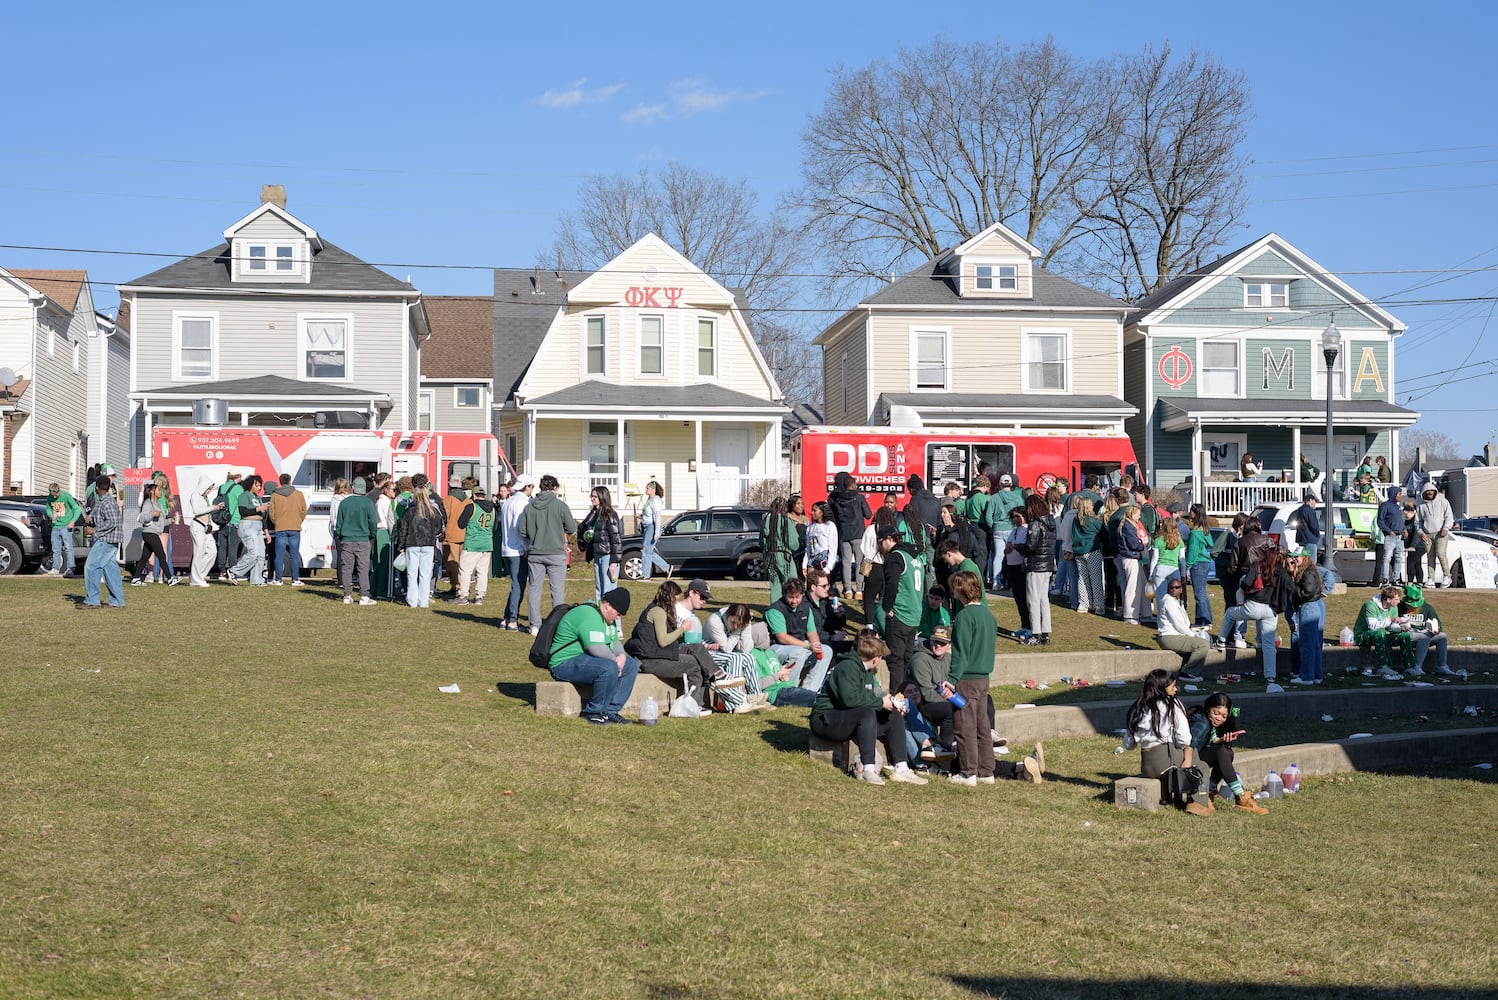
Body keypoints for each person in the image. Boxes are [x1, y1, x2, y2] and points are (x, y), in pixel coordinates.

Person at [809, 631, 928, 786]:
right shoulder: (847, 668)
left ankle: (901, 767)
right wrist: (880, 703)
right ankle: (868, 769)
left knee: (893, 715)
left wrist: (890, 702)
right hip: (826, 720)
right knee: (866, 713)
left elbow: (875, 693)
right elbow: (849, 699)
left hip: (847, 718)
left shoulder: (866, 672)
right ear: (876, 658)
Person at [626, 581, 727, 711]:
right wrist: (682, 629)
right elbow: (663, 641)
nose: (676, 602)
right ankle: (695, 706)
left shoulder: (660, 610)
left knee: (697, 648)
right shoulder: (658, 612)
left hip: (657, 652)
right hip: (651, 659)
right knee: (694, 665)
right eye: (676, 599)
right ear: (669, 597)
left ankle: (717, 674)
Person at [1123, 669, 1212, 816]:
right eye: (1172, 687)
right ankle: (1197, 803)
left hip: (1147, 765)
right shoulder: (1172, 704)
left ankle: (1178, 797)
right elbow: (1184, 738)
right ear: (1162, 688)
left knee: (1187, 757)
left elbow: (1128, 745)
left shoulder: (1138, 707)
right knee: (1200, 764)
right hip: (1165, 758)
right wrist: (1185, 751)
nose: (1176, 690)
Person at [548, 588, 640, 725]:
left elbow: (614, 641)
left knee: (631, 665)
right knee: (608, 668)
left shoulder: (607, 619)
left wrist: (621, 656)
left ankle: (610, 710)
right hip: (563, 663)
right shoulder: (589, 614)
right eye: (618, 613)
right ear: (608, 606)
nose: (618, 617)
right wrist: (615, 663)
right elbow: (595, 648)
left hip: (585, 660)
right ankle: (593, 712)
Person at [943, 570, 999, 786]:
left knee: (964, 724)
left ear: (961, 590)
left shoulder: (965, 617)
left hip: (966, 678)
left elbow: (961, 652)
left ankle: (968, 772)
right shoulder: (988, 615)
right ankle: (987, 771)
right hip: (984, 677)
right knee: (982, 725)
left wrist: (952, 677)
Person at [1214, 543, 1290, 693]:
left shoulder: (1257, 566)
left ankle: (1221, 641)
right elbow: (1290, 587)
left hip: (1253, 606)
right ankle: (1271, 677)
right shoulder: (1281, 571)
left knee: (1230, 613)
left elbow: (1246, 583)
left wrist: (1243, 592)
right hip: (1271, 610)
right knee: (1268, 645)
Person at [1188, 693, 1268, 814]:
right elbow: (1190, 744)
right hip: (1189, 759)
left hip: (1196, 756)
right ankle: (1240, 796)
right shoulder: (1201, 722)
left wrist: (1222, 741)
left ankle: (1210, 791)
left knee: (1227, 752)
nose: (1219, 718)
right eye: (1216, 713)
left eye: (1224, 716)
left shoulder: (1211, 724)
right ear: (1208, 708)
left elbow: (1208, 742)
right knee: (1222, 752)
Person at [519, 475, 578, 634]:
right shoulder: (560, 506)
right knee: (557, 590)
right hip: (556, 553)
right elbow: (572, 528)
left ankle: (534, 625)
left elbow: (522, 531)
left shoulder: (529, 507)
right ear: (554, 488)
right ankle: (556, 624)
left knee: (534, 589)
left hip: (535, 553)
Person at [877, 522, 925, 693]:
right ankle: (910, 694)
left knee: (896, 660)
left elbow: (892, 583)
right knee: (907, 658)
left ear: (888, 540)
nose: (879, 546)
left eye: (880, 541)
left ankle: (898, 697)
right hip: (914, 613)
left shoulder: (895, 556)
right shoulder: (915, 557)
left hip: (900, 613)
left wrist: (886, 607)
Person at [699, 600, 770, 713]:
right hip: (707, 652)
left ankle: (757, 697)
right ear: (728, 615)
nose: (735, 626)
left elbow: (746, 649)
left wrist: (746, 626)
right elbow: (727, 648)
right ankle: (738, 703)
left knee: (749, 657)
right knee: (735, 658)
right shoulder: (715, 621)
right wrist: (737, 633)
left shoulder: (739, 623)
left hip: (721, 652)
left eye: (739, 625)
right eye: (733, 623)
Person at [766, 578, 833, 693]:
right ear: (784, 595)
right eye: (790, 597)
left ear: (802, 594)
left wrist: (816, 645)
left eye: (797, 597)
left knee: (826, 650)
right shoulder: (775, 610)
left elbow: (811, 633)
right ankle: (788, 689)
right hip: (777, 648)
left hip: (800, 645)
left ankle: (810, 690)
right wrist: (807, 646)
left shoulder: (806, 609)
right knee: (798, 652)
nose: (794, 601)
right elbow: (782, 637)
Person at [393, 482, 445, 608]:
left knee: (412, 573)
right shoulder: (433, 511)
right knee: (425, 574)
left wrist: (401, 546)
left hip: (412, 544)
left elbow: (403, 529)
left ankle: (412, 600)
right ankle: (423, 601)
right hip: (428, 544)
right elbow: (439, 528)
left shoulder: (410, 510)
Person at [80, 475, 126, 608]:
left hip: (106, 540)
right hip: (110, 540)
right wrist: (91, 518)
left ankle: (92, 600)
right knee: (110, 570)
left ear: (96, 487)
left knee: (91, 566)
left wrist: (93, 530)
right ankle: (117, 601)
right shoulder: (105, 501)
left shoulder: (107, 502)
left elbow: (113, 521)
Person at [1353, 585, 1417, 679]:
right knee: (1380, 634)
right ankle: (1383, 666)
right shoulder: (1370, 605)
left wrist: (1401, 628)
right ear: (1388, 599)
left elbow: (1391, 627)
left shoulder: (1394, 607)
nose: (1399, 601)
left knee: (1404, 636)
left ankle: (1410, 666)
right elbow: (1372, 626)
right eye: (1397, 599)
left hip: (1382, 634)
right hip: (1364, 634)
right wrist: (1391, 619)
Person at [827, 471, 873, 599]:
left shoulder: (836, 499)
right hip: (858, 534)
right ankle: (859, 591)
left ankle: (847, 590)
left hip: (843, 534)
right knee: (859, 562)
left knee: (846, 563)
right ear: (853, 486)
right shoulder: (859, 498)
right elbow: (868, 514)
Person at [1018, 494, 1056, 645]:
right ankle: (1045, 634)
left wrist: (1019, 547)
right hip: (1047, 564)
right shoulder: (1051, 522)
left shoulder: (1035, 523)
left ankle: (1035, 633)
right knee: (1043, 599)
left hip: (1035, 564)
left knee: (1032, 600)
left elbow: (1030, 546)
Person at [335, 479, 378, 605]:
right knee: (363, 568)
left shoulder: (344, 503)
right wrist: (372, 534)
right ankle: (364, 596)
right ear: (364, 489)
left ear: (352, 488)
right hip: (363, 539)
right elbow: (372, 522)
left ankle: (347, 595)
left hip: (346, 539)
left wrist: (339, 535)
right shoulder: (368, 503)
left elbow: (339, 523)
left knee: (346, 568)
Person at [1155, 578, 1209, 678]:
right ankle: (1187, 673)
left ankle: (1190, 670)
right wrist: (1193, 635)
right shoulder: (1168, 601)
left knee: (1204, 639)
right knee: (1203, 645)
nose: (1173, 590)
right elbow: (1178, 624)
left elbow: (1185, 623)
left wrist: (1195, 631)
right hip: (1169, 637)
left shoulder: (1178, 602)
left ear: (1181, 589)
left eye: (1177, 587)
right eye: (1171, 588)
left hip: (1177, 636)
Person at [578, 486, 623, 604]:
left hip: (607, 556)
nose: (592, 499)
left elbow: (616, 539)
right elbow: (583, 527)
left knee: (609, 592)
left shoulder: (611, 515)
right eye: (591, 496)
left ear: (602, 497)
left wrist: (614, 562)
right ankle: (600, 620)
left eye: (595, 497)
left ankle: (613, 622)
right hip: (597, 555)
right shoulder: (595, 515)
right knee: (599, 590)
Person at [1397, 583, 1454, 676]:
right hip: (1407, 635)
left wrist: (1436, 630)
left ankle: (1442, 666)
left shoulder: (1427, 608)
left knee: (1442, 637)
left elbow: (1438, 624)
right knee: (1424, 637)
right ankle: (1417, 666)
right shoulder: (1400, 607)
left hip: (1425, 634)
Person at [499, 475, 533, 629]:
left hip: (507, 548)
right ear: (527, 487)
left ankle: (507, 617)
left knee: (515, 585)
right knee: (518, 585)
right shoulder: (522, 502)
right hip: (517, 549)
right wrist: (526, 547)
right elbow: (520, 528)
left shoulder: (509, 501)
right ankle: (512, 620)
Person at [1287, 549, 1326, 686]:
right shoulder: (1312, 570)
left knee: (1307, 645)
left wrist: (1293, 590)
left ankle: (1306, 677)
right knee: (1314, 645)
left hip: (1308, 608)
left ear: (1305, 557)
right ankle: (1316, 675)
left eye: (1297, 557)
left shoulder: (1308, 572)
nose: (1294, 559)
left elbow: (1307, 592)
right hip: (1313, 608)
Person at [452, 487, 496, 606]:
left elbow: (461, 524)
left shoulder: (471, 507)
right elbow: (495, 527)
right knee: (482, 572)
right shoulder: (493, 508)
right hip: (487, 544)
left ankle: (463, 595)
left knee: (465, 571)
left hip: (472, 543)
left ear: (473, 495)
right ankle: (479, 596)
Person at [226, 475, 270, 586]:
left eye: (260, 486)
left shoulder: (257, 498)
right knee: (253, 553)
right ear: (250, 485)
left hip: (258, 526)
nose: (259, 488)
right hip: (248, 525)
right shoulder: (244, 495)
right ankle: (233, 571)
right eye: (257, 485)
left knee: (260, 554)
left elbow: (261, 516)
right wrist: (258, 509)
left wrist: (266, 531)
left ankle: (257, 580)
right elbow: (243, 511)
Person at [266, 473, 308, 587]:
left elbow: (271, 513)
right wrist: (298, 521)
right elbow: (304, 511)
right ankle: (295, 580)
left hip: (280, 527)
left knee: (279, 555)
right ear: (290, 481)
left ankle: (278, 579)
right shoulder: (299, 494)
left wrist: (277, 522)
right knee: (294, 555)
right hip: (295, 527)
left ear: (280, 482)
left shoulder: (275, 495)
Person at [184, 478, 223, 587]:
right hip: (197, 526)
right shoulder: (195, 495)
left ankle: (197, 576)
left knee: (212, 551)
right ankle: (197, 578)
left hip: (205, 528)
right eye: (209, 488)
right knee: (199, 552)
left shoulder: (204, 497)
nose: (209, 491)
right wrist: (213, 508)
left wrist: (215, 508)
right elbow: (197, 511)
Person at [1115, 504, 1149, 626]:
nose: (1139, 517)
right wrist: (1141, 542)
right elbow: (1134, 544)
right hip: (1130, 558)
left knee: (1138, 586)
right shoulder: (1128, 527)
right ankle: (1130, 615)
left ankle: (1142, 613)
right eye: (1138, 514)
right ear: (1132, 514)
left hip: (1131, 557)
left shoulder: (1126, 525)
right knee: (1132, 587)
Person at [131, 481, 170, 586]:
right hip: (150, 533)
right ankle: (170, 578)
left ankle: (135, 578)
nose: (160, 492)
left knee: (144, 558)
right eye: (158, 490)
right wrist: (152, 514)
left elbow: (161, 522)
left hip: (153, 533)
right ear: (153, 491)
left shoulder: (157, 504)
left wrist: (172, 521)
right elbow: (142, 517)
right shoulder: (148, 503)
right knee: (161, 555)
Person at [1071, 495, 1105, 615]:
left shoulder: (1076, 520)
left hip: (1078, 552)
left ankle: (1084, 604)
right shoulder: (1093, 521)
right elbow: (1103, 533)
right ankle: (1099, 605)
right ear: (1088, 507)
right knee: (1095, 579)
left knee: (1083, 578)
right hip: (1092, 551)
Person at [1415, 484, 1455, 587]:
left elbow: (1449, 516)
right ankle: (1431, 579)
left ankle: (1447, 576)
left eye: (1431, 491)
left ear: (1435, 491)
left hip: (1441, 533)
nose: (1429, 493)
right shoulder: (1421, 506)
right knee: (1430, 556)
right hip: (1427, 534)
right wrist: (1421, 533)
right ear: (1424, 493)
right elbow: (1417, 521)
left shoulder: (1443, 502)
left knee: (1441, 553)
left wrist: (1446, 528)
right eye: (1427, 491)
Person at [760, 496, 798, 603]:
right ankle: (791, 608)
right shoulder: (786, 520)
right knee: (791, 584)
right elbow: (793, 544)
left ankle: (775, 610)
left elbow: (761, 542)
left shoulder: (765, 519)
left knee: (775, 586)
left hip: (770, 556)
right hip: (785, 556)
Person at [1148, 514, 1185, 619]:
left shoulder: (1158, 540)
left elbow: (1154, 559)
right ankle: (1173, 618)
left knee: (1161, 598)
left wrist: (1151, 574)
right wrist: (1183, 574)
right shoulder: (1179, 541)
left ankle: (1162, 619)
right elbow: (1182, 559)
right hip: (1174, 570)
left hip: (1161, 569)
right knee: (1174, 597)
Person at [42, 482, 83, 576]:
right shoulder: (50, 497)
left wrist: (72, 521)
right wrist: (50, 515)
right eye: (53, 494)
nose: (55, 496)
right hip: (56, 526)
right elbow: (48, 507)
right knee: (55, 548)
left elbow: (77, 509)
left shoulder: (66, 496)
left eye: (56, 494)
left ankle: (70, 568)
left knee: (68, 548)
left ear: (58, 491)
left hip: (66, 526)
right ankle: (55, 568)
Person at [1183, 507, 1215, 627]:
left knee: (1199, 594)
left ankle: (1204, 621)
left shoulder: (1195, 533)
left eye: (1191, 511)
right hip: (1205, 563)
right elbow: (1211, 543)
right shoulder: (1205, 530)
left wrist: (1187, 567)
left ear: (1195, 514)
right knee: (1202, 593)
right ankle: (1203, 620)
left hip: (1198, 564)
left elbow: (1192, 552)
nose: (1189, 514)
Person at [441, 475, 472, 594]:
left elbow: (445, 518)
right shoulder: (467, 500)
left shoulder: (448, 500)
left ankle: (456, 586)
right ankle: (465, 586)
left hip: (451, 535)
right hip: (465, 535)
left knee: (451, 562)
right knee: (464, 564)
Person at [638, 480, 673, 581]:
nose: (646, 490)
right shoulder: (649, 500)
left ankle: (645, 575)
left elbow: (657, 517)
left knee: (645, 550)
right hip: (647, 526)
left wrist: (656, 532)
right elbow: (648, 515)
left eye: (647, 488)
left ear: (653, 490)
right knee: (648, 551)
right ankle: (667, 567)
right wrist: (640, 516)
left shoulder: (655, 501)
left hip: (651, 527)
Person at [214, 471, 245, 578]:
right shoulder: (238, 489)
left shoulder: (222, 487)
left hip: (222, 520)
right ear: (238, 476)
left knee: (222, 547)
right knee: (233, 547)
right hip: (233, 521)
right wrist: (237, 521)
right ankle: (233, 571)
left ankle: (221, 571)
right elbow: (240, 506)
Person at [371, 475, 397, 598]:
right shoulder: (386, 502)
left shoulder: (379, 500)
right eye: (393, 490)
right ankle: (382, 591)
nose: (395, 492)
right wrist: (393, 535)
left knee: (377, 563)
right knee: (384, 564)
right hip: (384, 532)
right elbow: (390, 520)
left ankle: (374, 589)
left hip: (378, 532)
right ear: (386, 490)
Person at [1376, 486, 1405, 587]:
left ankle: (1396, 579)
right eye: (1399, 494)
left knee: (1398, 558)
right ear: (1394, 494)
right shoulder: (1385, 506)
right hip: (1390, 537)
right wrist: (1388, 531)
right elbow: (1380, 521)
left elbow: (1400, 521)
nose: (1401, 496)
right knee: (1387, 558)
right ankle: (1385, 580)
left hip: (1399, 537)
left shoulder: (1398, 507)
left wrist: (1404, 529)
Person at [1294, 492, 1322, 567]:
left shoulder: (1300, 510)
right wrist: (1317, 535)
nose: (1315, 504)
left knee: (1303, 563)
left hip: (1302, 539)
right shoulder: (1309, 511)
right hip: (1310, 540)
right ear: (1310, 500)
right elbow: (1314, 525)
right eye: (1314, 501)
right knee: (1311, 564)